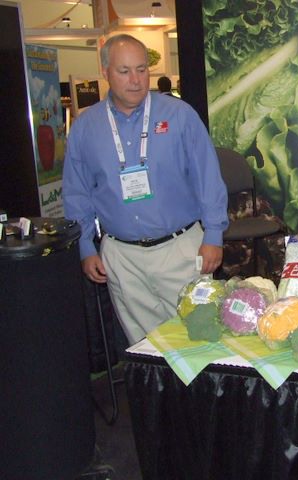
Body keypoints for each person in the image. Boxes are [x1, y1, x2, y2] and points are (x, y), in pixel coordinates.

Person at [63, 34, 228, 345]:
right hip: (122, 258)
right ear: (105, 72)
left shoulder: (179, 115)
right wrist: (85, 245)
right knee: (146, 348)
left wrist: (214, 235)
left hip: (182, 250)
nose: (136, 80)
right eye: (124, 71)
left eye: (141, 69)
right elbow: (77, 192)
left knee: (203, 342)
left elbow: (207, 176)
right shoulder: (86, 128)